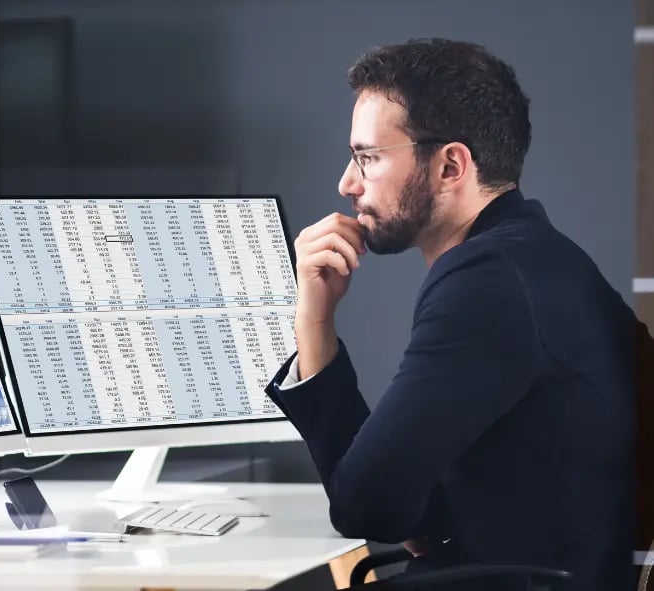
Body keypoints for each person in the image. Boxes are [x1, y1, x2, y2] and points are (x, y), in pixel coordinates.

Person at [265, 38, 639, 590]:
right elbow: (411, 512)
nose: (347, 183)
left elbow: (366, 509)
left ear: (450, 165)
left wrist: (312, 326)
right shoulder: (528, 257)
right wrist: (317, 323)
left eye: (367, 157)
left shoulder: (489, 282)